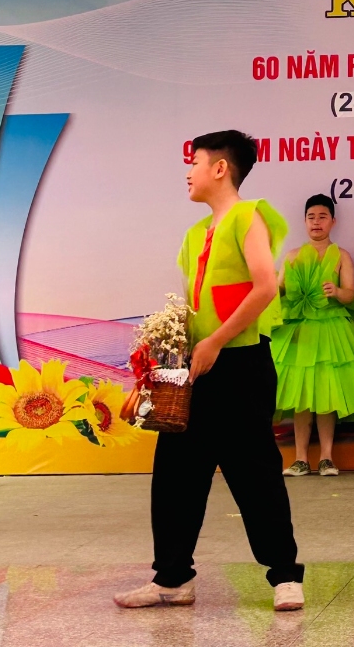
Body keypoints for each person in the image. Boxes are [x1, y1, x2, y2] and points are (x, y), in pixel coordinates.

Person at [114, 130, 306, 613]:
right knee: (175, 473)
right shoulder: (195, 233)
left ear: (220, 168)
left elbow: (265, 287)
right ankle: (173, 577)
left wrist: (216, 341)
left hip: (241, 364)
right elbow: (193, 307)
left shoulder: (248, 215)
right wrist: (163, 358)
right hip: (197, 368)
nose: (188, 172)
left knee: (255, 473)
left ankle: (285, 575)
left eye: (195, 162)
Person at [272, 193, 354, 478]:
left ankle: (327, 458)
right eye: (311, 217)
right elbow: (277, 290)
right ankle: (300, 459)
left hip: (332, 331)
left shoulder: (342, 255)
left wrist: (337, 291)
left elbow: (350, 294)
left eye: (322, 217)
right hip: (300, 333)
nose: (316, 222)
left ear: (333, 221)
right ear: (304, 221)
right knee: (301, 398)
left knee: (327, 396)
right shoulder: (292, 255)